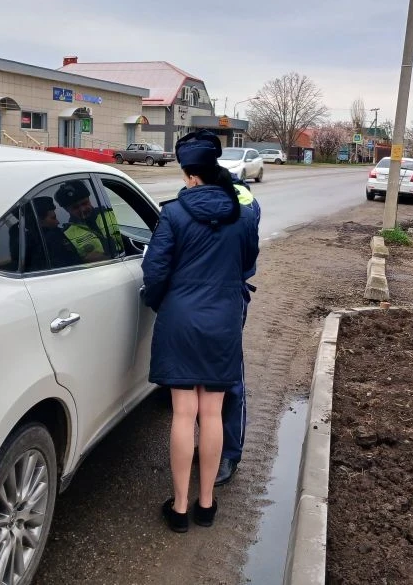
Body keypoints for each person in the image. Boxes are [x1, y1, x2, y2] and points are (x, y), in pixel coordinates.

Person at [143, 130, 259, 533]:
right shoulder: (243, 214)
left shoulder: (173, 214)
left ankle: (178, 508)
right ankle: (206, 504)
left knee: (183, 413)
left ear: (191, 176)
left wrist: (162, 302)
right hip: (223, 319)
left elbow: (155, 270)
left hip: (181, 318)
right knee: (212, 413)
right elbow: (248, 263)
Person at [216, 172, 261, 487]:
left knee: (230, 379)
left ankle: (229, 453)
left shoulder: (242, 202)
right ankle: (214, 443)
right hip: (212, 298)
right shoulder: (199, 193)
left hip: (229, 297)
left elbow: (247, 263)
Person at [54, 179, 123, 262]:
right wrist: (84, 261)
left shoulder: (111, 214)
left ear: (89, 199)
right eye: (75, 207)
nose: (82, 209)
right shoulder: (66, 234)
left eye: (84, 203)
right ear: (66, 210)